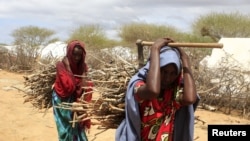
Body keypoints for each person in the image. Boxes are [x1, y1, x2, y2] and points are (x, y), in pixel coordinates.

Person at [115, 38, 200, 141]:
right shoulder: (139, 85)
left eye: (173, 73)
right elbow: (153, 91)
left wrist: (185, 59)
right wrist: (155, 49)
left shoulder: (173, 92)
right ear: (154, 68)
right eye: (163, 71)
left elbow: (190, 99)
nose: (168, 78)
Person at [52, 40, 93, 141]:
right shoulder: (61, 65)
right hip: (61, 100)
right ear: (69, 53)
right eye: (74, 54)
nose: (76, 58)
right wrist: (68, 67)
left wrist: (83, 82)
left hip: (77, 100)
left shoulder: (83, 67)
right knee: (66, 129)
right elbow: (69, 86)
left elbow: (87, 86)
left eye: (79, 55)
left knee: (78, 126)